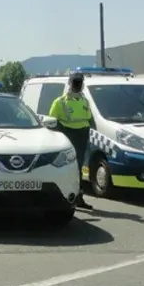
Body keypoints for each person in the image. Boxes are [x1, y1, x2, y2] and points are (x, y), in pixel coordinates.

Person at [49, 72, 93, 210]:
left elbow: (88, 118)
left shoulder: (85, 101)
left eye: (79, 83)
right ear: (70, 83)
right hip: (67, 136)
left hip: (82, 136)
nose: (78, 85)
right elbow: (51, 121)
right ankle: (61, 196)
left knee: (78, 168)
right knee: (66, 167)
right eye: (76, 83)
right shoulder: (60, 102)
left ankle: (78, 197)